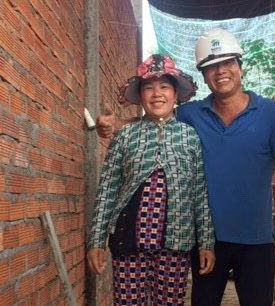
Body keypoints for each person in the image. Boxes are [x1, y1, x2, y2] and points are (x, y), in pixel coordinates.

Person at [96, 28, 275, 306]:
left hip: (256, 237)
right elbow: (155, 120)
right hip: (207, 240)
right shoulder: (191, 114)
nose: (221, 72)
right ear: (203, 75)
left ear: (240, 66)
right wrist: (115, 127)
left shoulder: (270, 112)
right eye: (211, 67)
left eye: (228, 63)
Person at [87, 54, 215, 306]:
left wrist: (206, 243)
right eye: (149, 87)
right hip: (128, 239)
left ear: (176, 94)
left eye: (165, 87)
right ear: (140, 96)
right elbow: (107, 191)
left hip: (176, 243)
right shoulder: (125, 136)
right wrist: (96, 241)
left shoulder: (190, 137)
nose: (157, 94)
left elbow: (200, 194)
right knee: (127, 302)